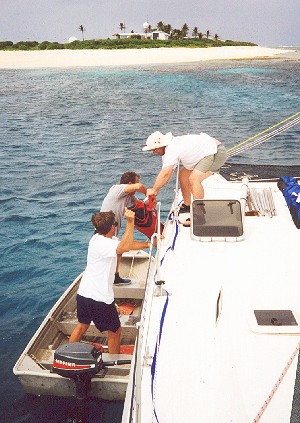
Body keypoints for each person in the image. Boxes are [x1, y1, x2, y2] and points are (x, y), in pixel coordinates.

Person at [69, 208, 151, 353]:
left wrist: (149, 244)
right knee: (115, 331)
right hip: (100, 298)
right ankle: (114, 360)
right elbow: (124, 247)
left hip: (84, 293)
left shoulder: (97, 238)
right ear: (112, 227)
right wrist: (130, 222)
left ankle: (67, 352)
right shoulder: (106, 245)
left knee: (82, 325)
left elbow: (126, 245)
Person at [142, 131, 227, 222]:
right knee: (183, 175)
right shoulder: (167, 150)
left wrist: (154, 190)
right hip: (206, 152)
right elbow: (167, 172)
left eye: (154, 149)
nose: (154, 152)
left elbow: (166, 173)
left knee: (194, 179)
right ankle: (188, 205)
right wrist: (155, 191)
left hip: (216, 152)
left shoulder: (172, 148)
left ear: (161, 145)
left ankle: (199, 215)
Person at [101, 172, 147, 285]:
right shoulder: (118, 189)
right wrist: (148, 192)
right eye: (136, 181)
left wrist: (150, 202)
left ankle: (115, 277)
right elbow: (140, 187)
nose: (137, 185)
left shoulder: (129, 196)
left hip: (113, 231)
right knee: (109, 255)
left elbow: (140, 203)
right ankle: (105, 278)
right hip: (104, 230)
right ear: (130, 183)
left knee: (118, 253)